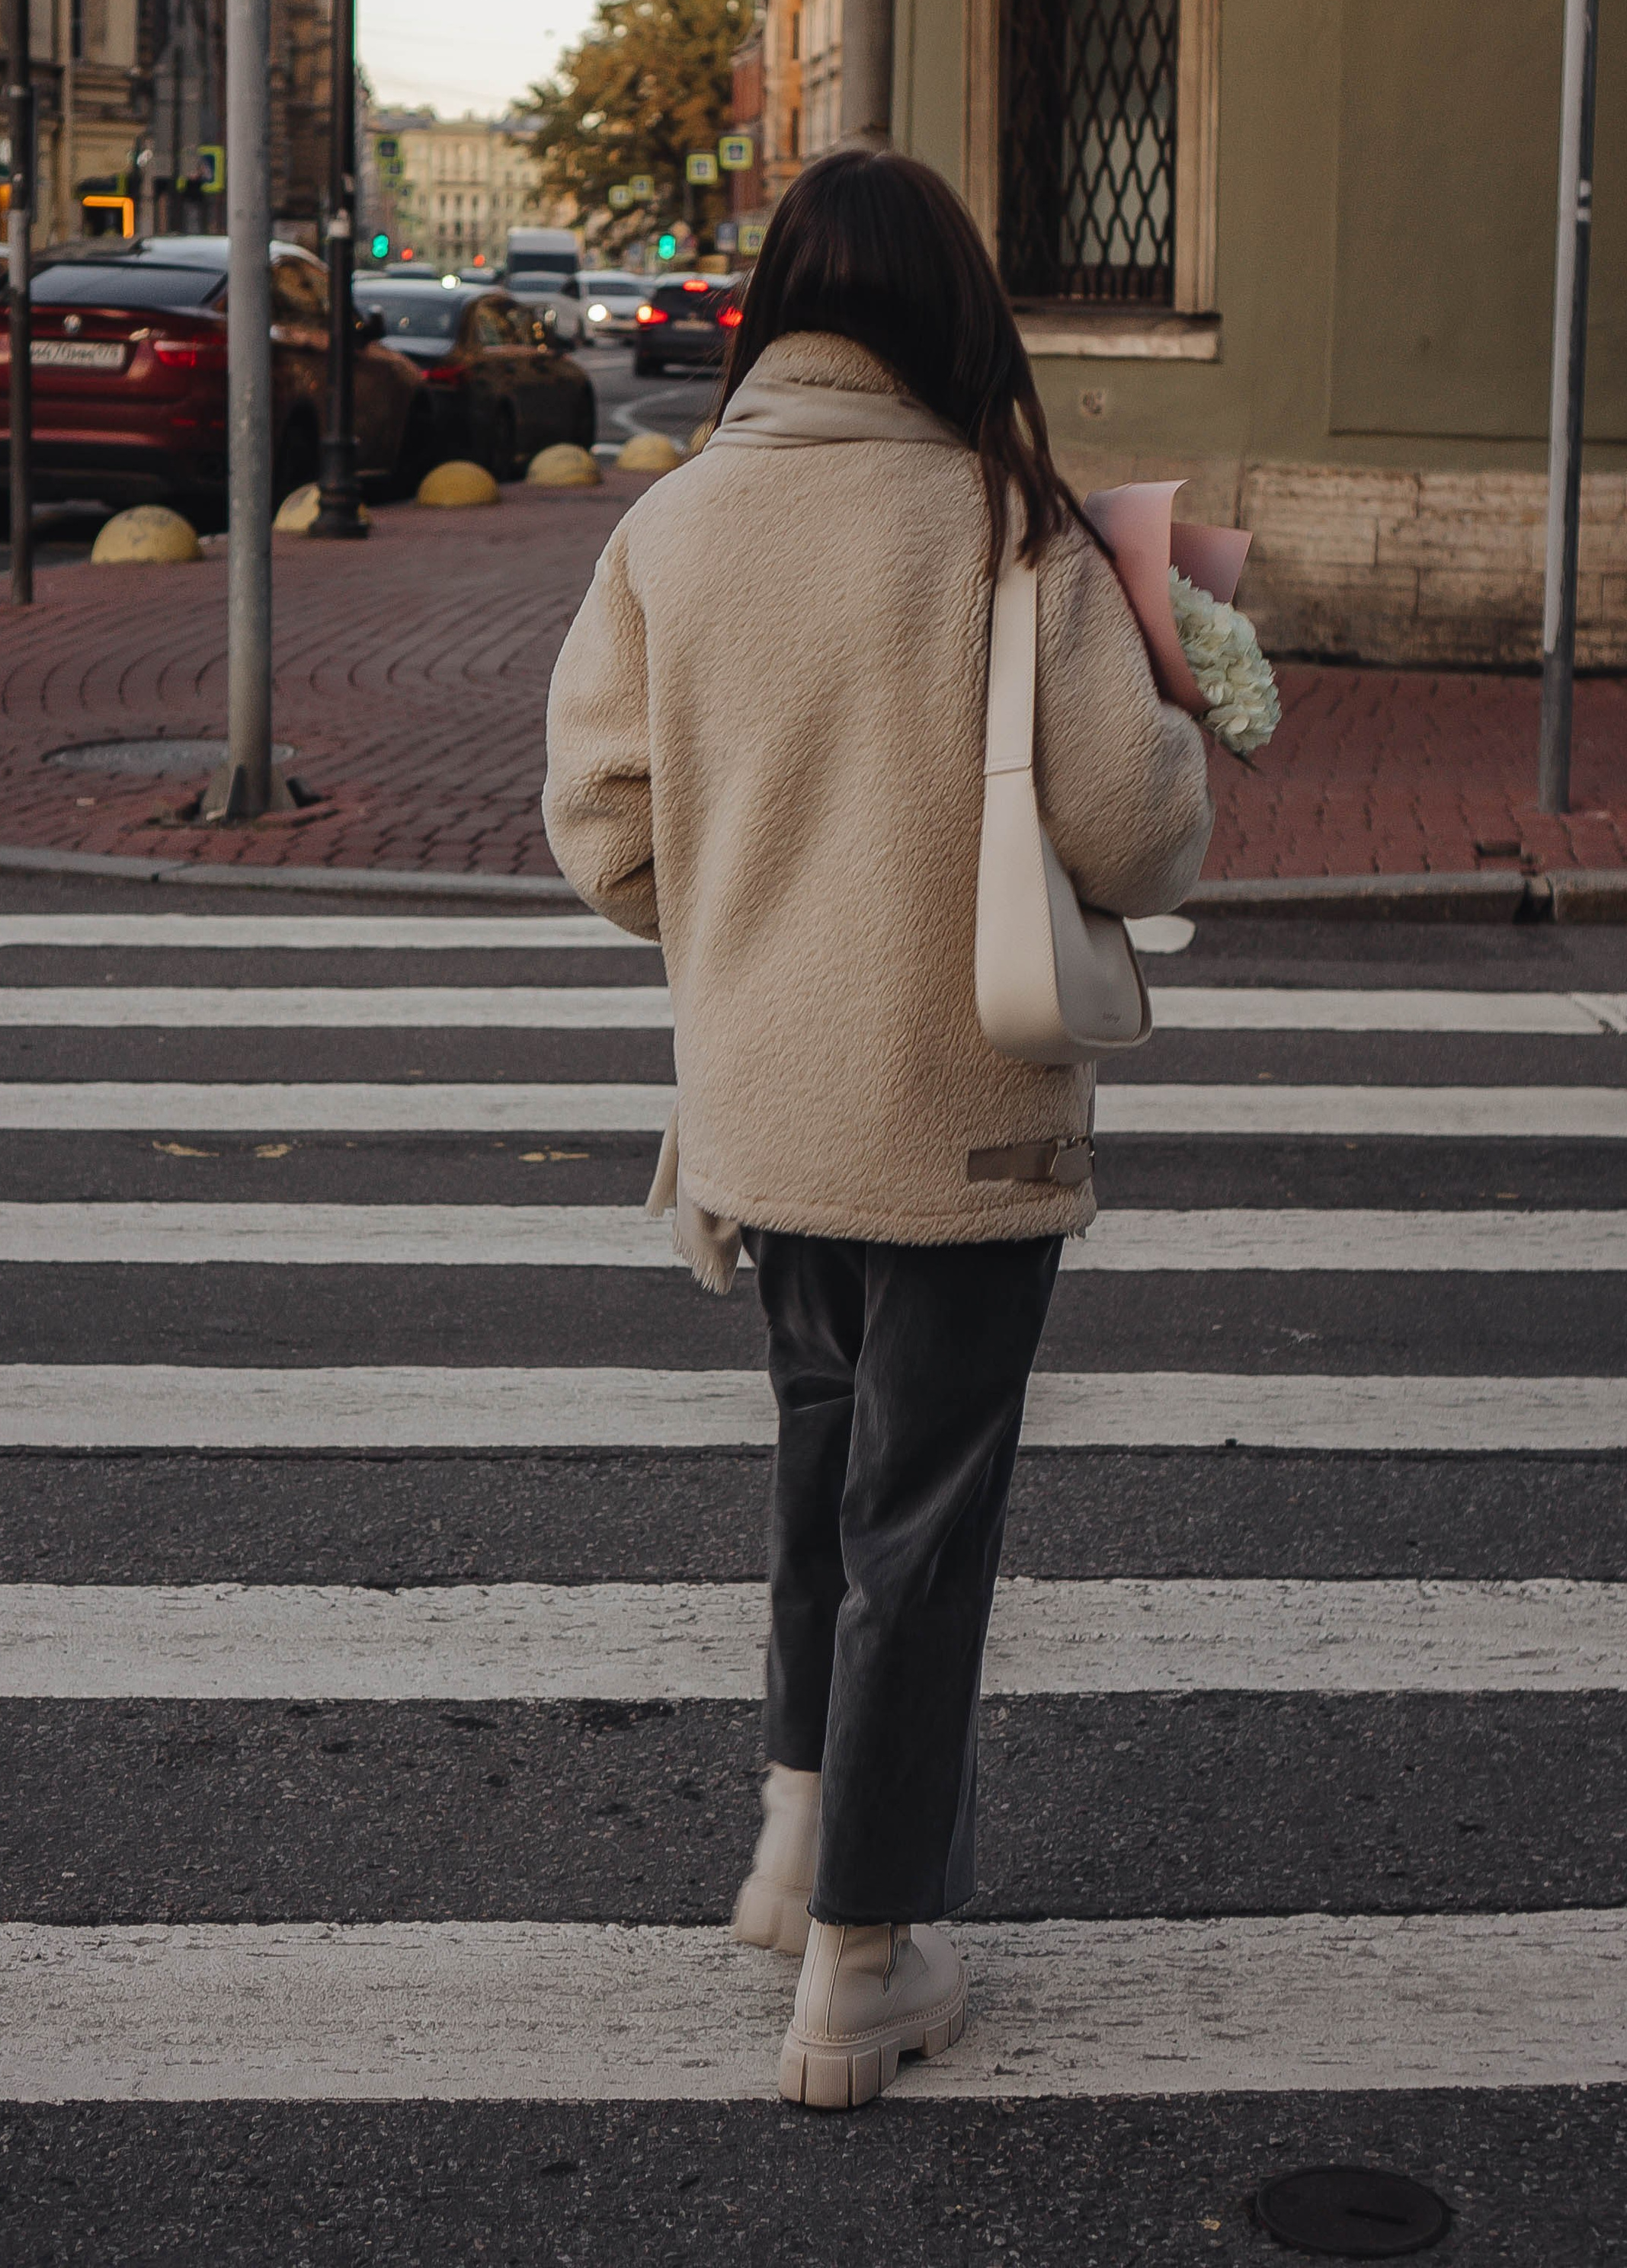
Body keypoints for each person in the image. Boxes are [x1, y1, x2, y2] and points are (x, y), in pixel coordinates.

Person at [542, 148, 1213, 2109]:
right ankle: (858, 1962)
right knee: (920, 1521)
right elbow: (1134, 828)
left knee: (824, 1466)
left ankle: (792, 1833)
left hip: (765, 1103)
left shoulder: (672, 533)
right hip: (963, 1116)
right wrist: (1184, 707)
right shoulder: (1008, 528)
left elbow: (602, 835)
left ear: (772, 306)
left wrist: (750, 913)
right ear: (946, 314)